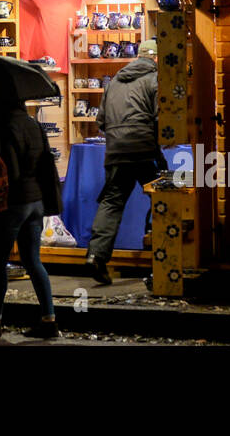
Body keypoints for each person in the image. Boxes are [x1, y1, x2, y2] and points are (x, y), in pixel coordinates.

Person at [87, 42, 166, 285]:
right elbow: (159, 117)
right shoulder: (154, 80)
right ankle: (162, 251)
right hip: (143, 148)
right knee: (163, 196)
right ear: (155, 59)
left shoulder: (114, 83)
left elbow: (101, 121)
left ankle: (95, 256)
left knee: (112, 201)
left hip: (115, 151)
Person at [0, 95, 57, 339]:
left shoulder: (5, 128)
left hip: (14, 201)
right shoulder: (33, 124)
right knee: (33, 260)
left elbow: (10, 170)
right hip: (36, 200)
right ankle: (49, 319)